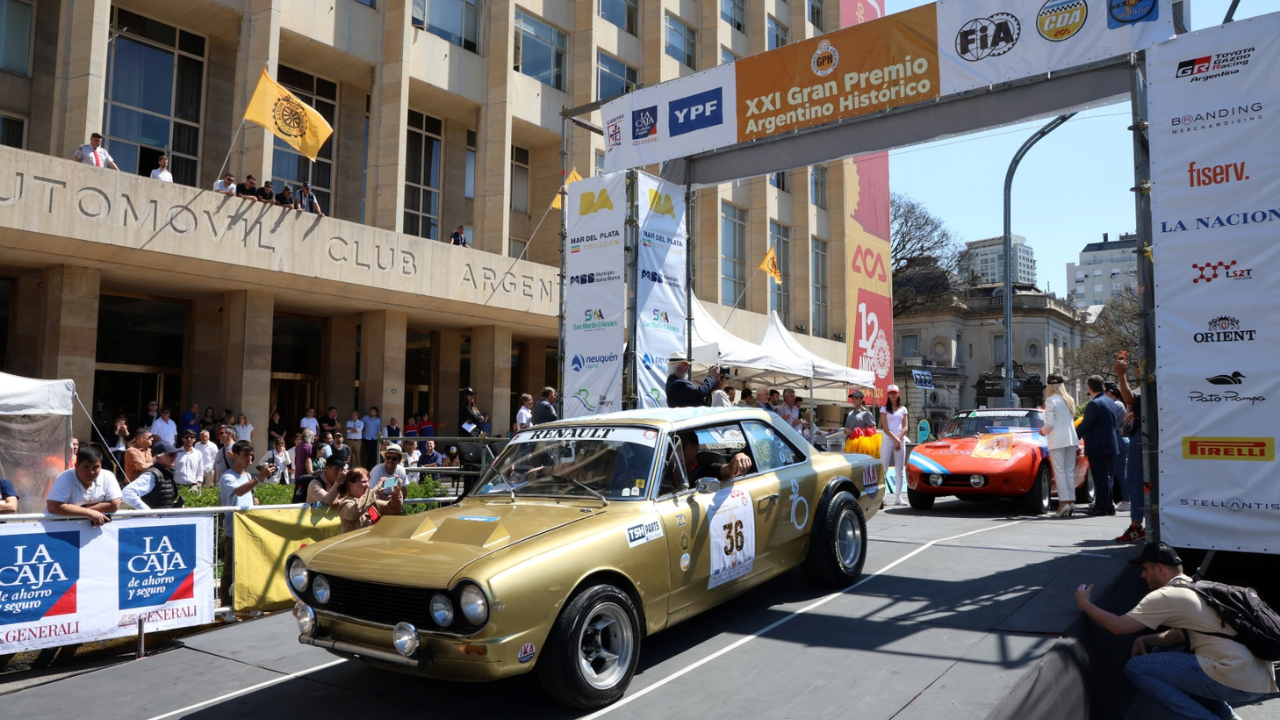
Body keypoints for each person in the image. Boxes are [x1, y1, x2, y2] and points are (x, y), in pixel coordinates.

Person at [1076, 542, 1276, 719]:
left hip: (1237, 679)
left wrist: (1085, 603)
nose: (1142, 575)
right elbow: (1179, 635)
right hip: (1256, 678)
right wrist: (1146, 640)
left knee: (1136, 667)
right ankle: (1227, 716)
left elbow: (1117, 627)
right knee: (1166, 658)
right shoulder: (1195, 587)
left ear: (1160, 569)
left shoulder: (1166, 595)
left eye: (1145, 569)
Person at [219, 441, 272, 607]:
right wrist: (260, 477)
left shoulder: (247, 476)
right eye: (245, 455)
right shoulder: (227, 476)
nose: (249, 458)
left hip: (248, 529)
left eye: (251, 455)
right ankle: (226, 607)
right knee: (229, 572)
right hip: (233, 530)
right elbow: (239, 491)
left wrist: (254, 501)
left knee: (248, 569)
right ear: (235, 456)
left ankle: (246, 604)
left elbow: (245, 494)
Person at [1113, 357, 1146, 542]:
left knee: (1135, 479)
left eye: (1141, 367)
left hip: (1142, 439)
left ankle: (1136, 526)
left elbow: (1129, 397)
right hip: (1140, 437)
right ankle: (1139, 525)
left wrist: (1121, 374)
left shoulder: (1147, 388)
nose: (1139, 371)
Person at [47, 447, 122, 526]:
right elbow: (53, 507)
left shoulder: (107, 476)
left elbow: (114, 504)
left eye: (95, 467)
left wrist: (83, 510)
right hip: (61, 529)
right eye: (86, 467)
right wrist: (88, 512)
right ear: (76, 466)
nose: (91, 472)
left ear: (101, 466)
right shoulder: (65, 477)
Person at [1078, 375, 1119, 516]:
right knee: (1107, 477)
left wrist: (1074, 436)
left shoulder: (1095, 403)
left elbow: (1086, 425)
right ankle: (1108, 506)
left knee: (1100, 479)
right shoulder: (1109, 401)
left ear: (1090, 387)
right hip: (1110, 444)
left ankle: (1101, 507)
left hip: (1098, 445)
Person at [1039, 373, 1079, 518]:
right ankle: (1070, 501)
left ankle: (1063, 503)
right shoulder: (1069, 399)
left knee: (1060, 472)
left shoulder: (1051, 400)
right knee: (1068, 471)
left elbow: (1049, 424)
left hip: (1057, 439)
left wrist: (1042, 432)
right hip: (1071, 439)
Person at [323, 467, 403, 533]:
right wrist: (374, 489)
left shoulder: (371, 501)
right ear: (351, 485)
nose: (367, 485)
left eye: (368, 481)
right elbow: (355, 511)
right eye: (364, 482)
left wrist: (396, 492)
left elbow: (393, 508)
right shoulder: (346, 504)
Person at [123, 440, 182, 510]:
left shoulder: (165, 473)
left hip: (162, 519)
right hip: (150, 520)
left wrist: (172, 505)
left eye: (175, 455)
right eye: (171, 455)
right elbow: (127, 493)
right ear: (158, 457)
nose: (174, 458)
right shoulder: (151, 475)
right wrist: (148, 512)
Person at [676, 431, 753, 483]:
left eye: (681, 447)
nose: (676, 451)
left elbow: (730, 470)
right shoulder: (667, 468)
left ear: (696, 449)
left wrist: (739, 457)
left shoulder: (705, 470)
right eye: (672, 447)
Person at [880, 384, 909, 505]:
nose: (893, 394)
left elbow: (906, 427)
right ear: (888, 395)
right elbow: (885, 428)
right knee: (884, 468)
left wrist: (899, 439)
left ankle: (898, 497)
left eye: (895, 392)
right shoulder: (884, 409)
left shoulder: (903, 409)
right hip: (888, 439)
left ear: (898, 394)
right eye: (891, 392)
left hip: (900, 440)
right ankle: (882, 496)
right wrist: (896, 439)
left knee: (899, 470)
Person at [1105, 381, 1130, 508]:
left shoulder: (1117, 404)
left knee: (1120, 472)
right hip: (1116, 439)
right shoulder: (1117, 404)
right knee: (1114, 472)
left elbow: (1106, 420)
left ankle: (1127, 500)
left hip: (1118, 440)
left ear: (1108, 393)